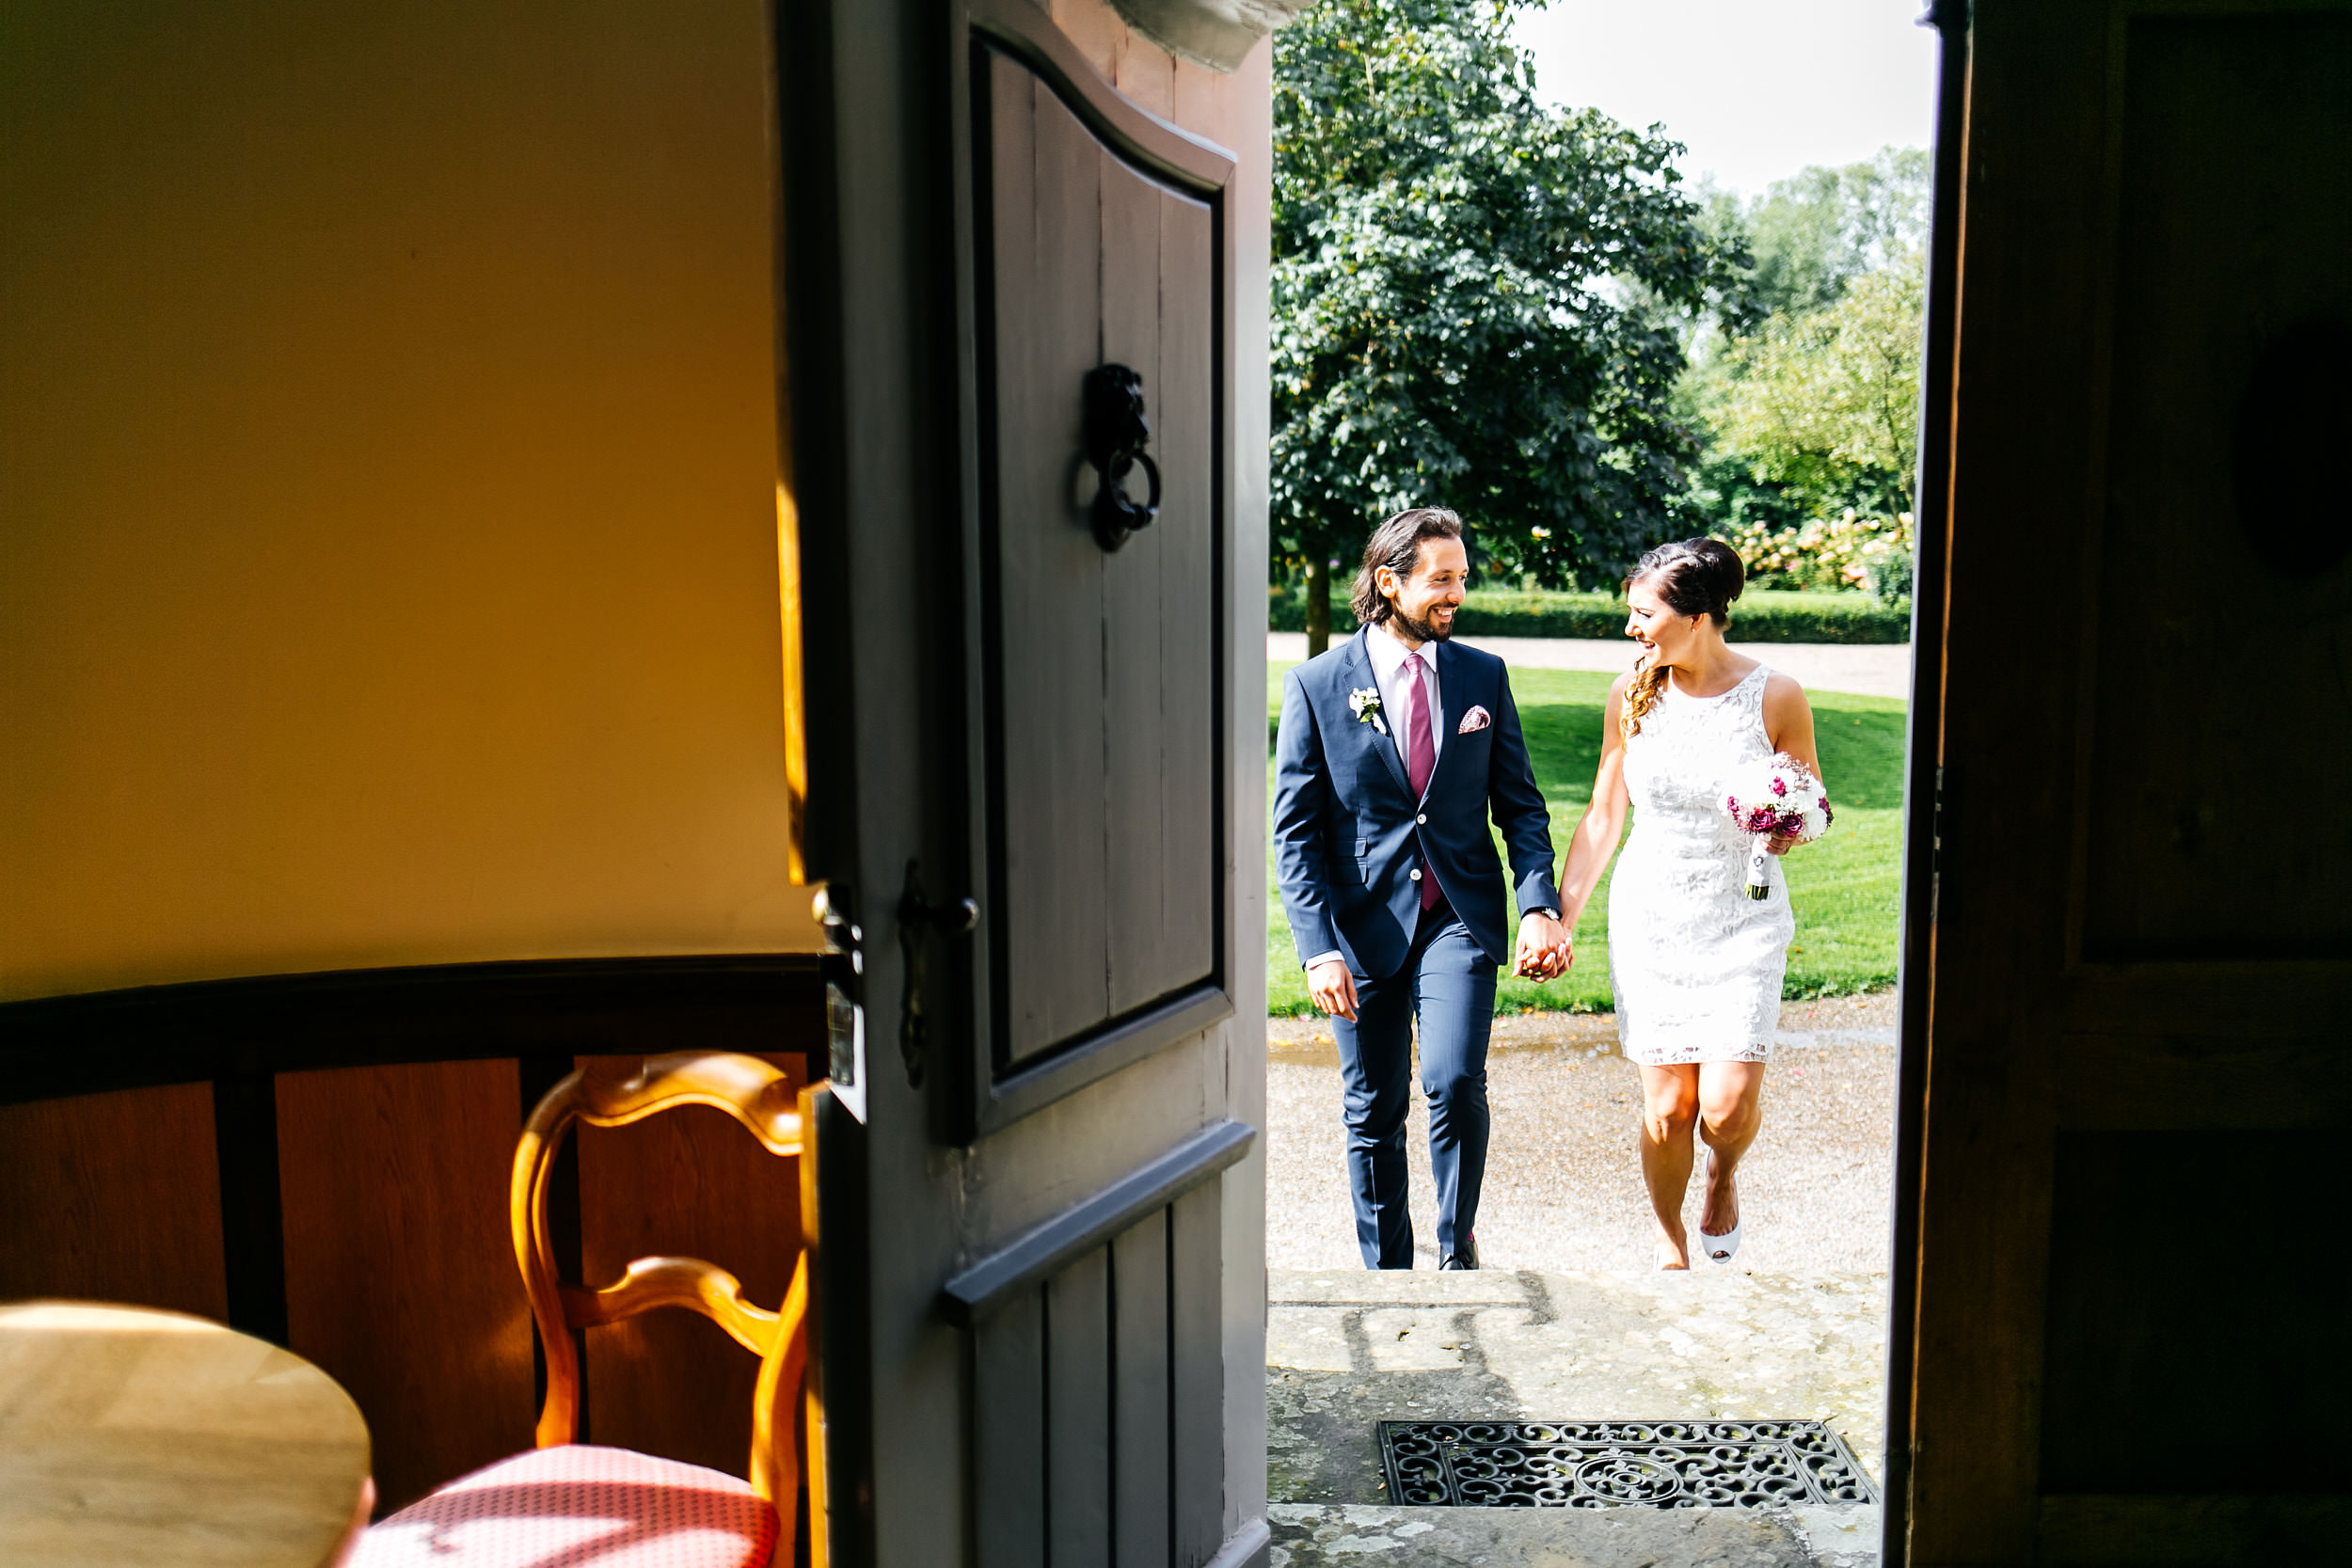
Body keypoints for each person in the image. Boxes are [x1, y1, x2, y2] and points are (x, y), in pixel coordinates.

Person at [1272, 508, 1570, 1270]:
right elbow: (1295, 834)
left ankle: (1454, 1248)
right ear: (1389, 582)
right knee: (1373, 1107)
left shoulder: (1482, 676)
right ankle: (1388, 1273)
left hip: (1456, 916)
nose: (1456, 594)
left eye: (1461, 578)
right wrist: (1318, 950)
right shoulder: (1316, 685)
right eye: (1441, 579)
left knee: (1454, 1078)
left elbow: (1522, 806)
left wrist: (1539, 902)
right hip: (1360, 927)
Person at [1551, 538, 1825, 1270]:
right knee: (1670, 1110)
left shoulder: (1776, 695)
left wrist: (1788, 824)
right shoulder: (1630, 693)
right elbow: (1604, 814)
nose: (1631, 627)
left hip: (1743, 918)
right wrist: (1562, 917)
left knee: (1725, 1110)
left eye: (1644, 614)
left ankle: (1724, 1171)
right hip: (1653, 918)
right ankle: (1669, 1239)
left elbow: (1811, 804)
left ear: (1697, 616)